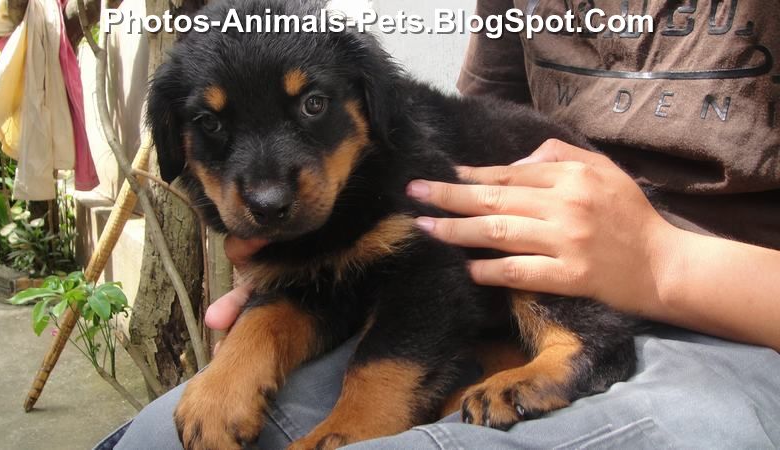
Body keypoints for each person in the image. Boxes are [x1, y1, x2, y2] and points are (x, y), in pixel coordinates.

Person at [98, 1, 780, 448]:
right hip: (487, 299)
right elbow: (469, 144)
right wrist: (284, 301)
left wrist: (662, 260)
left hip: (730, 318)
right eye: (214, 126)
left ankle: (572, 352)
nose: (269, 185)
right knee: (160, 437)